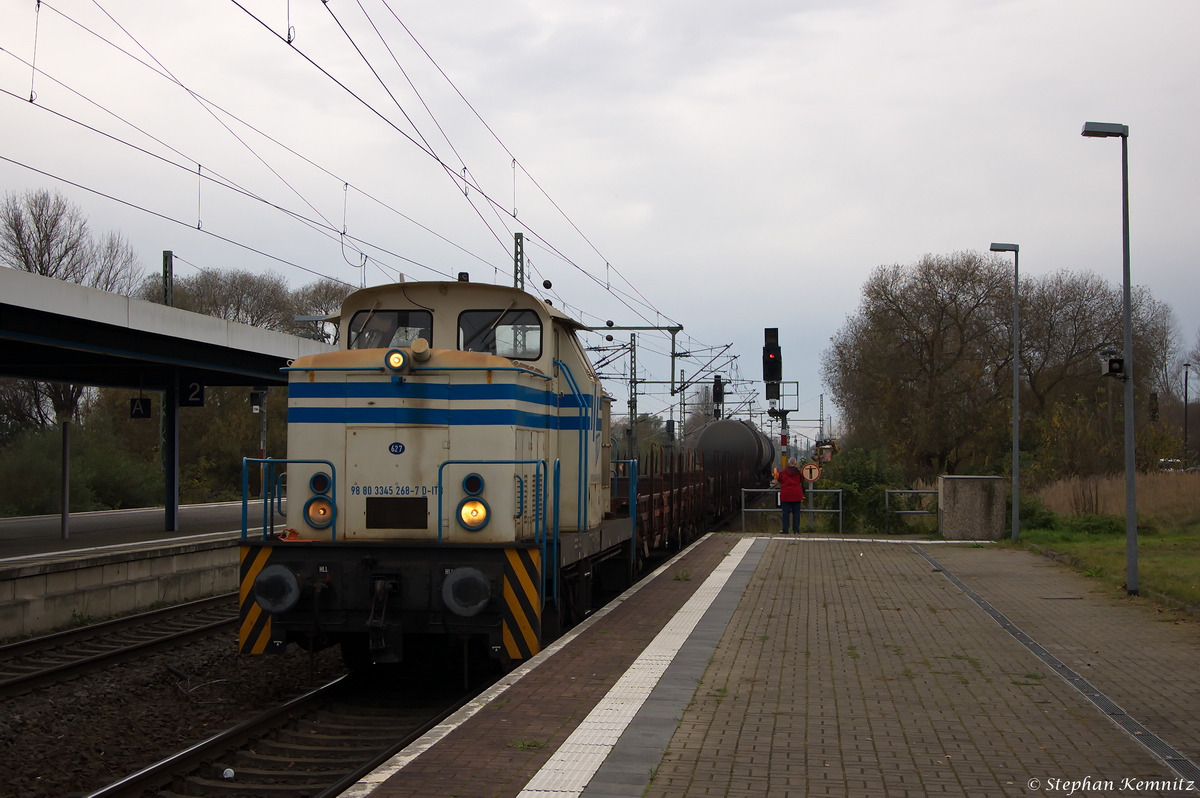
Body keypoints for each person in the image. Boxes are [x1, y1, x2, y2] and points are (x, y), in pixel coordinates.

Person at [777, 457, 805, 533]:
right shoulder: (798, 472)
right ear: (795, 464)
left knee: (785, 513)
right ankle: (796, 530)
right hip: (796, 495)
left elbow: (779, 480)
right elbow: (802, 479)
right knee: (796, 513)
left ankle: (785, 530)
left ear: (788, 463)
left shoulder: (783, 472)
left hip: (786, 495)